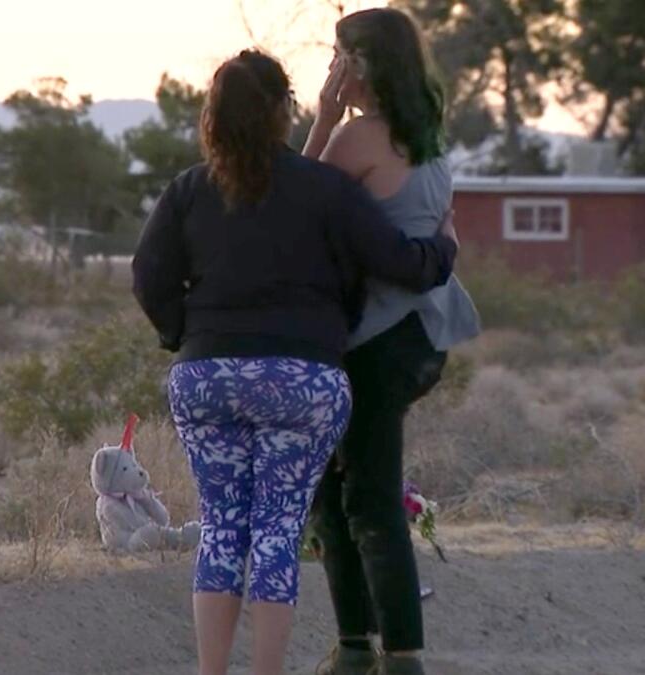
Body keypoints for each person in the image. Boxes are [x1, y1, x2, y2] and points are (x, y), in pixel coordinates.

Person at [132, 49, 459, 675]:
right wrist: (442, 247)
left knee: (224, 529)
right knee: (278, 531)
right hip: (301, 382)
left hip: (208, 379)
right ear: (285, 110)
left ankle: (211, 671)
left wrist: (189, 337)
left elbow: (148, 277)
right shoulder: (326, 189)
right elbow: (397, 260)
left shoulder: (188, 190)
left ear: (212, 117)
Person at [302, 8, 481, 675]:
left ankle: (394, 654)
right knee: (346, 491)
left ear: (364, 64)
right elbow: (443, 229)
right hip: (422, 333)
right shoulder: (427, 135)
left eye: (341, 57)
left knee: (362, 497)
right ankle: (363, 647)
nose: (334, 69)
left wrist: (322, 113)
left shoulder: (359, 137)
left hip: (376, 339)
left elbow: (291, 204)